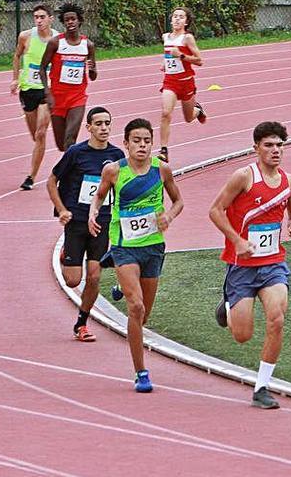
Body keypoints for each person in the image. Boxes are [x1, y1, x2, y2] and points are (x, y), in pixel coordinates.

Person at [208, 121, 291, 409]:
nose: (275, 150)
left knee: (277, 318)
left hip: (273, 263)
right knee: (242, 335)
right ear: (256, 148)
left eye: (279, 145)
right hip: (242, 265)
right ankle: (226, 307)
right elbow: (215, 210)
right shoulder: (243, 177)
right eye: (269, 145)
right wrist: (236, 240)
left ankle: (262, 386)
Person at [89, 118, 184, 393]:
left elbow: (178, 201)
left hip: (153, 247)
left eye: (146, 141)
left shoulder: (162, 169)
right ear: (126, 144)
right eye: (136, 141)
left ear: (152, 144)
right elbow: (99, 196)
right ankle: (141, 372)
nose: (142, 146)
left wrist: (168, 215)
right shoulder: (113, 171)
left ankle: (122, 284)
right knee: (136, 308)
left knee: (145, 317)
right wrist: (94, 213)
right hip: (124, 245)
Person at [48, 107, 124, 342]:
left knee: (93, 277)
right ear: (88, 127)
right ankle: (65, 255)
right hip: (77, 222)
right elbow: (52, 181)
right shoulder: (76, 153)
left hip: (101, 224)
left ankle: (81, 323)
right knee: (73, 280)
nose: (103, 128)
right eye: (98, 124)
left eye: (107, 123)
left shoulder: (117, 156)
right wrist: (61, 210)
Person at [12, 5, 59, 191]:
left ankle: (31, 176)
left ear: (50, 19)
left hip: (47, 91)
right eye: (36, 17)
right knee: (35, 136)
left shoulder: (57, 39)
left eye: (42, 17)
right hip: (28, 89)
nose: (38, 20)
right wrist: (15, 79)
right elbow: (16, 56)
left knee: (41, 133)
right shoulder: (25, 36)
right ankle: (39, 152)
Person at [40, 3, 97, 152]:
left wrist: (92, 69)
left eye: (73, 19)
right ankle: (68, 165)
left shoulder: (88, 45)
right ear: (63, 23)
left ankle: (69, 174)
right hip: (57, 97)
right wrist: (47, 92)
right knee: (61, 145)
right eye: (67, 20)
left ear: (79, 21)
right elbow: (42, 68)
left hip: (77, 97)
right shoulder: (55, 43)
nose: (70, 22)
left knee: (70, 138)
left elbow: (93, 76)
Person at [158, 7, 207, 164]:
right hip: (170, 82)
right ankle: (164, 150)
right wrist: (165, 63)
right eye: (175, 16)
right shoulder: (165, 37)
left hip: (186, 83)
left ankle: (197, 110)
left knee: (188, 118)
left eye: (181, 17)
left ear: (186, 22)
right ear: (171, 20)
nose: (177, 19)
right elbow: (168, 55)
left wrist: (182, 56)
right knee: (166, 113)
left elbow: (199, 61)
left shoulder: (187, 38)